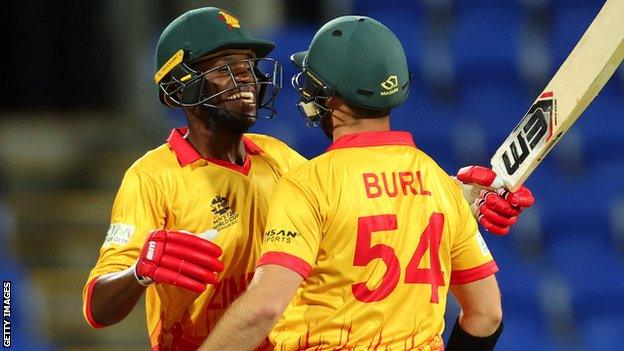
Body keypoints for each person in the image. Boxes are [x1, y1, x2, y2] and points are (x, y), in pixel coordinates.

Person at [199, 15, 533, 351]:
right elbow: (486, 314)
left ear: (327, 95)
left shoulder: (308, 184)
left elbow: (264, 308)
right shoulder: (438, 183)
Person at [81, 7, 307, 350]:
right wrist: (140, 272)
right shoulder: (152, 176)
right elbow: (98, 309)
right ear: (178, 89)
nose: (245, 78)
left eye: (247, 66)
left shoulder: (280, 157)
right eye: (224, 68)